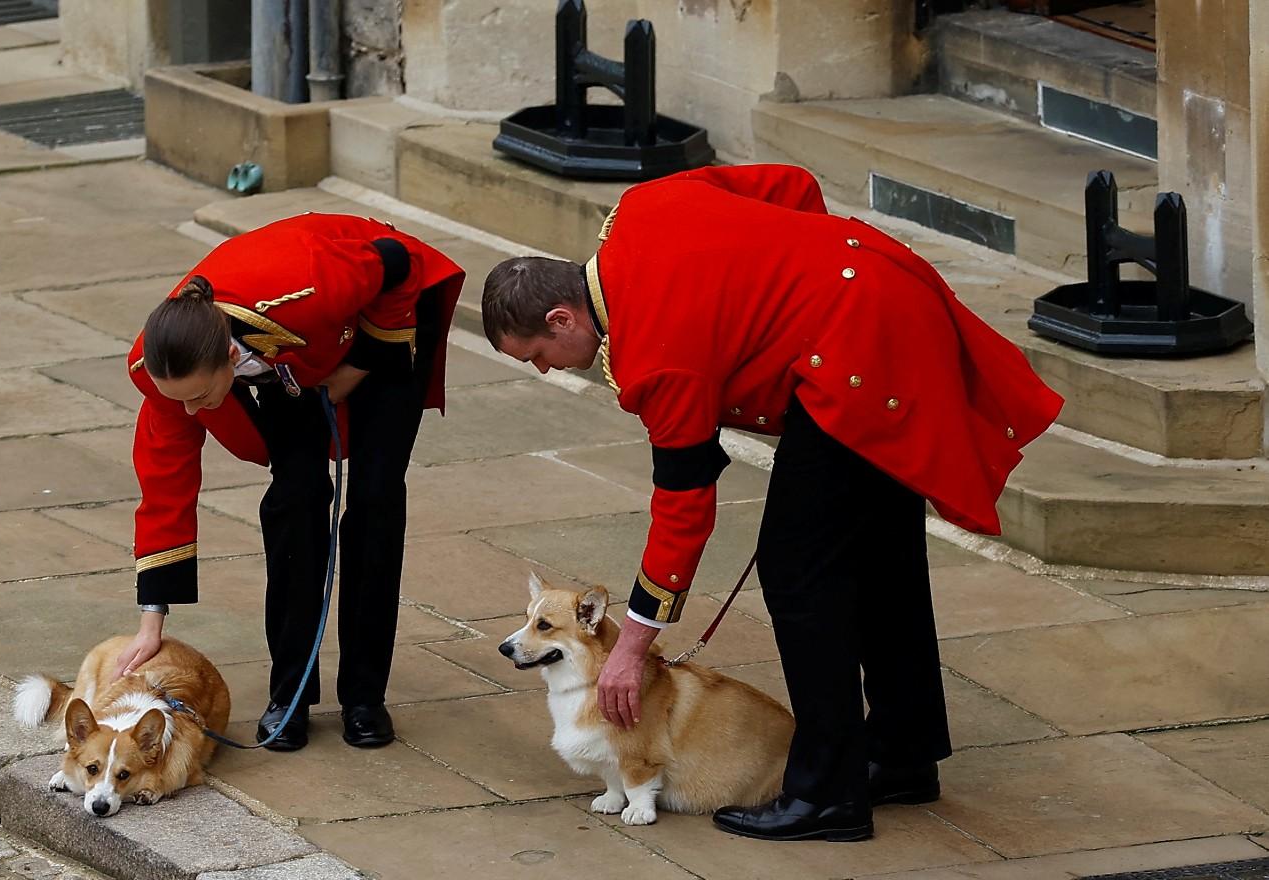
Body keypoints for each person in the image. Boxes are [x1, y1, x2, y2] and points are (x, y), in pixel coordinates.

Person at [479, 164, 1062, 841]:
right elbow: (790, 186)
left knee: (798, 572)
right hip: (882, 288)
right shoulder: (639, 209)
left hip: (855, 355)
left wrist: (631, 647)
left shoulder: (654, 357)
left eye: (541, 355)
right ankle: (902, 753)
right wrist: (802, 278)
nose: (548, 369)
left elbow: (684, 508)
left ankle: (828, 793)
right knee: (879, 552)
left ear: (562, 315)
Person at [117, 212, 464, 752]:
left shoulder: (308, 282)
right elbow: (164, 489)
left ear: (229, 356)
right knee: (295, 499)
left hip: (380, 321)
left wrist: (359, 366)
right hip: (292, 361)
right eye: (178, 397)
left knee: (375, 497)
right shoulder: (164, 368)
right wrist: (151, 621)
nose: (187, 410)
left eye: (198, 396)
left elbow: (400, 265)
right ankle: (290, 695)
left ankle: (365, 697)